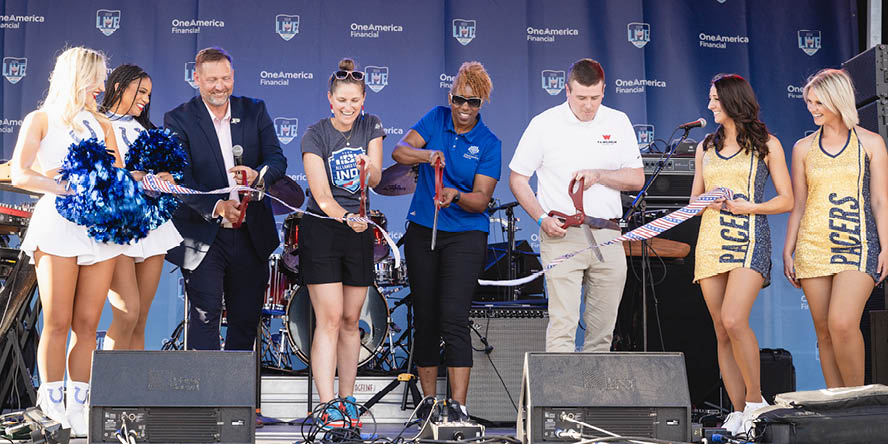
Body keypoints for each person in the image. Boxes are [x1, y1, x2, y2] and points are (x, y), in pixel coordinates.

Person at [12, 46, 125, 436]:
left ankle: (79, 406)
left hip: (98, 229)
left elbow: (118, 172)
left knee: (88, 322)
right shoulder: (40, 119)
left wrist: (105, 184)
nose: (103, 86)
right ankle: (51, 405)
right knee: (57, 320)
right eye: (98, 77)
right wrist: (64, 186)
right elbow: (21, 173)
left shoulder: (103, 124)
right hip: (57, 225)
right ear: (78, 76)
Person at [510, 58, 643, 354]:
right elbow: (518, 179)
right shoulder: (544, 124)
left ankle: (593, 400)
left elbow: (636, 178)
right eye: (581, 97)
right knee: (563, 325)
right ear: (566, 91)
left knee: (603, 329)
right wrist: (541, 217)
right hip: (562, 233)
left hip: (608, 233)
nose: (588, 105)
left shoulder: (618, 121)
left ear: (604, 91)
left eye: (595, 97)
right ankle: (560, 401)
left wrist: (600, 175)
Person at [393, 61, 501, 420]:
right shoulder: (436, 118)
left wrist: (455, 195)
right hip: (424, 228)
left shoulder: (489, 143)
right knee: (424, 315)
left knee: (453, 317)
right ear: (450, 97)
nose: (465, 109)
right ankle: (427, 403)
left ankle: (458, 407)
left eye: (474, 103)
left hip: (467, 235)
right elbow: (399, 151)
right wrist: (427, 154)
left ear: (481, 104)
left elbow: (482, 200)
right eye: (460, 100)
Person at [163, 47, 287, 351]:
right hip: (204, 236)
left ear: (233, 77)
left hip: (251, 233)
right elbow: (179, 178)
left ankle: (238, 399)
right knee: (205, 318)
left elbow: (277, 158)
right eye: (212, 79)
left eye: (225, 78)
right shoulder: (178, 119)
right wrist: (216, 207)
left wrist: (258, 175)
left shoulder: (255, 110)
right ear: (196, 78)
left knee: (245, 321)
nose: (220, 86)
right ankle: (205, 398)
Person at [690, 74, 793, 435]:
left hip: (750, 238)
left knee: (735, 319)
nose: (710, 105)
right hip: (711, 241)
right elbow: (694, 202)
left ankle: (755, 401)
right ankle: (737, 412)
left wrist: (748, 207)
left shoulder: (767, 144)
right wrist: (710, 201)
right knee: (721, 330)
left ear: (733, 101)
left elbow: (787, 199)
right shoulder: (705, 145)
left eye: (715, 98)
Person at [784, 69, 888, 389]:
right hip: (812, 246)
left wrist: (886, 246)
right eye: (810, 102)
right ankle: (836, 407)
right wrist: (789, 250)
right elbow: (799, 204)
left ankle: (857, 404)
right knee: (824, 332)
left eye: (819, 102)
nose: (812, 108)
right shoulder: (803, 148)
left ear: (837, 100)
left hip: (859, 244)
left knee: (843, 323)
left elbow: (880, 201)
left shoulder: (871, 142)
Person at [299, 58, 384, 428]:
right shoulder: (315, 134)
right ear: (329, 100)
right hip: (324, 228)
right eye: (342, 101)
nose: (348, 107)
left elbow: (377, 179)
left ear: (363, 100)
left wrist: (368, 170)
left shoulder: (372, 126)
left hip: (358, 230)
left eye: (355, 101)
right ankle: (327, 404)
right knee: (330, 319)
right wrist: (345, 217)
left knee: (352, 320)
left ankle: (349, 400)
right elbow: (321, 194)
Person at [100, 64, 183, 350]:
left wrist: (166, 178)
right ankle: (106, 391)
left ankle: (130, 395)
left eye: (149, 93)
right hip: (117, 226)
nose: (146, 99)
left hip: (152, 226)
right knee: (127, 313)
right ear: (119, 87)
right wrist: (128, 178)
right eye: (141, 91)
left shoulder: (147, 130)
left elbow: (163, 171)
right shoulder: (96, 123)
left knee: (140, 318)